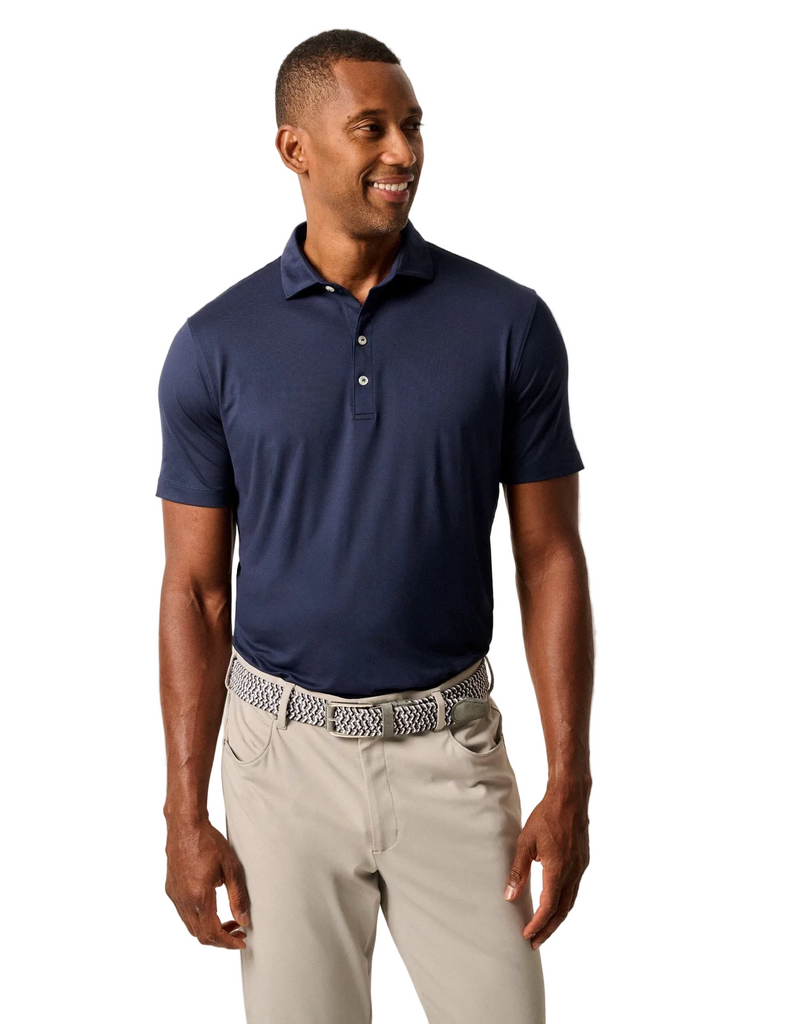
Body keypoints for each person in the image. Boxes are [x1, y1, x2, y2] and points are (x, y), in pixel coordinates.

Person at [155, 27, 594, 1024]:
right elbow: (195, 589)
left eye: (412, 126)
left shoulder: (509, 324)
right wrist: (184, 812)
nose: (404, 151)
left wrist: (569, 783)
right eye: (371, 128)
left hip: (453, 749)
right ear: (294, 148)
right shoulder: (214, 346)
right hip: (278, 765)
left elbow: (549, 558)